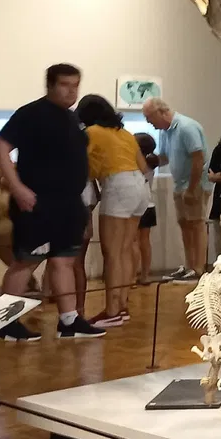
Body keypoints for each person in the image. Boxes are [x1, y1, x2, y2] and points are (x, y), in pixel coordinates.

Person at [0, 64, 103, 341]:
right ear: (50, 85)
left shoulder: (71, 119)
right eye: (65, 85)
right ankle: (5, 322)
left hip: (68, 204)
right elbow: (1, 146)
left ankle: (69, 321)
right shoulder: (31, 114)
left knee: (64, 260)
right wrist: (18, 188)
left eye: (76, 85)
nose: (71, 91)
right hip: (38, 204)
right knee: (26, 262)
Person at [76, 94, 151, 326]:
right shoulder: (125, 133)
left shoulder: (91, 133)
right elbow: (144, 167)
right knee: (126, 248)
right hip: (140, 186)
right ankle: (122, 305)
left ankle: (111, 311)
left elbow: (79, 164)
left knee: (113, 252)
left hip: (118, 186)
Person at [143, 97, 208, 281]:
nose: (148, 122)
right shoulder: (165, 131)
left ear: (161, 112)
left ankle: (199, 269)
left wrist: (192, 188)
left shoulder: (187, 127)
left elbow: (198, 158)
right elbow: (163, 157)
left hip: (195, 184)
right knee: (185, 225)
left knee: (196, 224)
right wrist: (141, 163)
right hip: (180, 184)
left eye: (149, 117)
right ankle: (189, 266)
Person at [133, 130, 158, 285]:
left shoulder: (138, 162)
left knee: (133, 241)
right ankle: (145, 274)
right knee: (145, 241)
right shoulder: (152, 162)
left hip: (136, 205)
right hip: (149, 204)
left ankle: (130, 276)